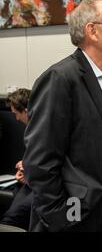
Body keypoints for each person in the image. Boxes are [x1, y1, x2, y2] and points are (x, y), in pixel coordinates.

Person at [22, 0, 102, 232]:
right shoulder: (60, 79)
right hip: (79, 214)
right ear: (93, 31)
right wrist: (64, 217)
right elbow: (40, 163)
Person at [0, 88, 32, 230]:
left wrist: (28, 169)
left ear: (26, 111)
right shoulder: (33, 129)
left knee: (10, 220)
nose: (17, 119)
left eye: (17, 114)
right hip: (30, 183)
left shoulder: (44, 130)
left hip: (42, 187)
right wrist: (24, 165)